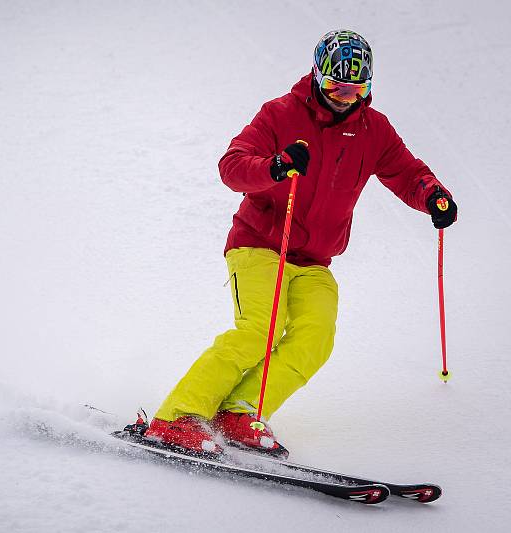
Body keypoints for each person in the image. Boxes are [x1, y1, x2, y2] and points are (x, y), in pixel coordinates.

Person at [143, 29, 457, 457]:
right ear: (316, 75)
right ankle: (175, 416)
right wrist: (274, 166)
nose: (345, 97)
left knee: (316, 336)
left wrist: (432, 194)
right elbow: (232, 167)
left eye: (355, 89)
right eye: (335, 87)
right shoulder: (279, 114)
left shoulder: (374, 129)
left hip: (314, 260)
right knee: (258, 332)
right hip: (260, 245)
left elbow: (405, 171)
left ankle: (239, 412)